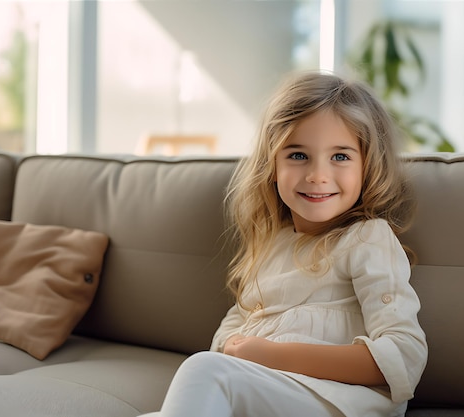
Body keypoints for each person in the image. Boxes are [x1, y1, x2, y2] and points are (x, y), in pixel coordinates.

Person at [147, 71, 427, 417]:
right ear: (273, 166)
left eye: (340, 156)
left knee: (202, 370)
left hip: (339, 401)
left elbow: (403, 356)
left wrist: (267, 355)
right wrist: (235, 349)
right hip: (265, 393)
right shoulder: (271, 246)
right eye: (298, 155)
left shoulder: (367, 238)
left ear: (367, 166)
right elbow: (232, 334)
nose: (317, 175)